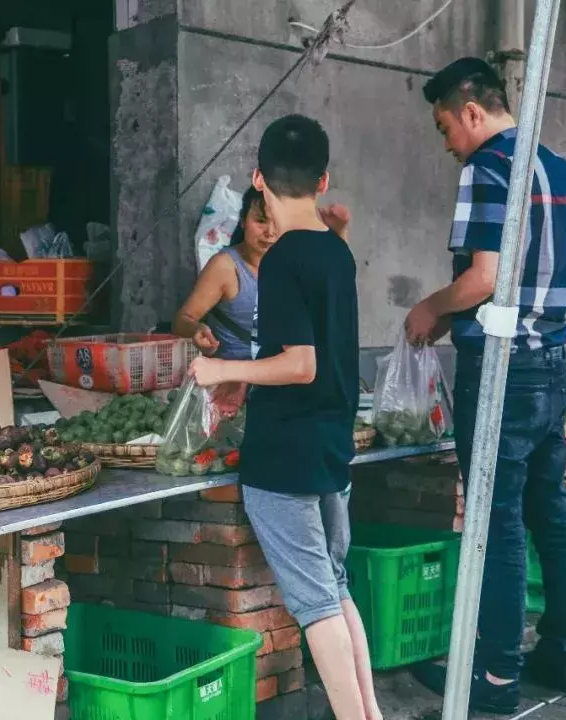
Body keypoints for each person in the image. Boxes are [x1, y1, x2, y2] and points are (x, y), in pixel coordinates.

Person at [406, 58, 566, 714]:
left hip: (504, 369)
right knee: (551, 507)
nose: (447, 140)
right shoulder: (565, 174)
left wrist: (432, 306)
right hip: (553, 364)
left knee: (500, 518)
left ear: (472, 112)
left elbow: (483, 277)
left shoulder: (485, 169)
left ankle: (496, 679)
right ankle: (565, 653)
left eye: (444, 126)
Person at [188, 115, 380, 720]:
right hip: (329, 448)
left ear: (258, 179)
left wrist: (223, 373)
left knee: (317, 603)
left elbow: (298, 363)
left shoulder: (282, 261)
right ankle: (370, 713)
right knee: (336, 586)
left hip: (286, 458)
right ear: (323, 180)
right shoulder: (335, 253)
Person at [174, 187, 274, 360]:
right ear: (243, 221)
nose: (270, 232)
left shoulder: (295, 265)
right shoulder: (226, 267)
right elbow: (182, 320)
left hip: (281, 376)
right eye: (261, 221)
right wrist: (197, 329)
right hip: (235, 379)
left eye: (278, 223)